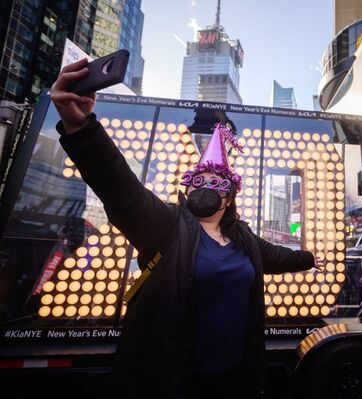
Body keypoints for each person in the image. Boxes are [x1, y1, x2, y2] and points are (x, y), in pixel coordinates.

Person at [50, 58, 324, 399]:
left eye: (215, 181)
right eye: (197, 180)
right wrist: (81, 128)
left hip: (237, 378)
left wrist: (309, 258)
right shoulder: (166, 225)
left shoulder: (242, 237)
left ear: (229, 196)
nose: (204, 187)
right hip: (176, 380)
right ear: (187, 188)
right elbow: (118, 186)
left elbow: (276, 257)